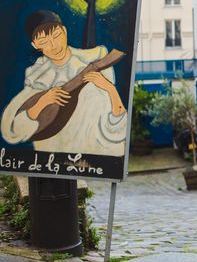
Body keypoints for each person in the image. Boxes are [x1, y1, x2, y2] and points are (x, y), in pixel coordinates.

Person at [1, 10, 127, 156]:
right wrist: (42, 102)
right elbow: (14, 130)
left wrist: (109, 88)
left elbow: (117, 129)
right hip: (49, 162)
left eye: (56, 36)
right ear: (35, 45)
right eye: (43, 42)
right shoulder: (37, 77)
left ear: (64, 31)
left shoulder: (93, 63)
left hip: (90, 161)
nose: (54, 46)